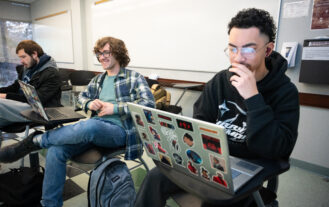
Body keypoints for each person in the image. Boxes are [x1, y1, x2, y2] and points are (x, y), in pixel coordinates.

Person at [135, 8, 299, 207]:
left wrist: (253, 98)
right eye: (232, 48)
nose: (238, 58)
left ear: (268, 50)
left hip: (253, 165)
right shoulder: (220, 81)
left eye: (248, 49)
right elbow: (200, 124)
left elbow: (278, 149)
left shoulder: (285, 91)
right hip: (213, 161)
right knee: (155, 178)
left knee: (214, 201)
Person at [0, 36, 155, 207]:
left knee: (90, 125)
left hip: (122, 131)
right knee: (56, 151)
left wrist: (115, 108)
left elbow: (148, 105)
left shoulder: (133, 77)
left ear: (118, 53)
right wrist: (89, 103)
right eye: (99, 54)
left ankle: (36, 140)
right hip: (97, 129)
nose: (101, 57)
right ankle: (50, 204)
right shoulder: (99, 80)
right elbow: (81, 99)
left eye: (106, 52)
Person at [0, 40, 61, 127]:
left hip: (39, 109)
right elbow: (15, 87)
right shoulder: (28, 67)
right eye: (20, 58)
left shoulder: (51, 73)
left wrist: (5, 96)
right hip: (23, 104)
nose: (21, 61)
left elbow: (37, 100)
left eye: (23, 57)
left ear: (34, 54)